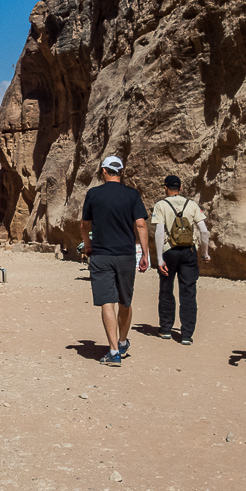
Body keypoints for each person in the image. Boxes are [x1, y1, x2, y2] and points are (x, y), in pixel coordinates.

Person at [81, 155, 150, 366]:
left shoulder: (93, 194)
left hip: (101, 256)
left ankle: (113, 352)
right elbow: (140, 224)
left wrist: (87, 245)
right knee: (125, 301)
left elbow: (85, 224)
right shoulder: (132, 194)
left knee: (107, 302)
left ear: (103, 171)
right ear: (121, 171)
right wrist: (145, 253)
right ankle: (121, 342)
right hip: (126, 255)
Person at [151, 175, 210, 345]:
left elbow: (159, 232)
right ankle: (186, 334)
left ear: (165, 188)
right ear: (181, 188)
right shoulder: (191, 205)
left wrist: (160, 258)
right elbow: (204, 231)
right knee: (188, 292)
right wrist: (205, 253)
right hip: (189, 252)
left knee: (166, 290)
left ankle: (166, 329)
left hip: (169, 252)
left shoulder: (161, 205)